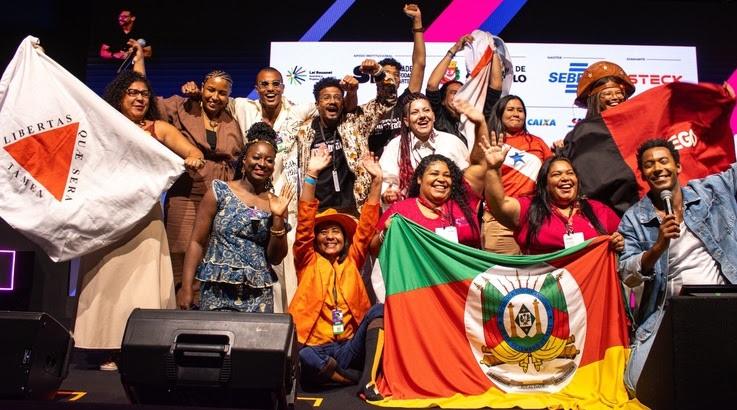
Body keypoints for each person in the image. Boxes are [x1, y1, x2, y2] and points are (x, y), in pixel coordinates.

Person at [74, 70, 204, 371]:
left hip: (145, 217)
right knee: (107, 279)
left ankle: (136, 346)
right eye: (132, 92)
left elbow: (192, 151)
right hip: (107, 216)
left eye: (144, 94)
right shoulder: (104, 125)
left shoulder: (158, 128)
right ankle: (106, 346)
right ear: (120, 95)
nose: (139, 98)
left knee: (140, 282)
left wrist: (193, 158)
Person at [618, 138, 737, 392]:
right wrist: (658, 247)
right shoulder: (634, 219)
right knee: (637, 383)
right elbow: (628, 274)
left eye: (663, 161)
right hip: (670, 310)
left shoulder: (711, 192)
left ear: (678, 166)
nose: (657, 168)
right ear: (643, 175)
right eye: (649, 165)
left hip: (724, 300)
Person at [290, 147, 384, 400]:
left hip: (348, 346)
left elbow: (366, 226)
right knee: (305, 356)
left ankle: (359, 378)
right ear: (316, 239)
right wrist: (312, 174)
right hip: (316, 347)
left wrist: (377, 181)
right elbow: (304, 225)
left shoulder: (353, 260)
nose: (330, 237)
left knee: (380, 310)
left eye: (336, 232)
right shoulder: (307, 260)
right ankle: (352, 379)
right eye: (324, 232)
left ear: (344, 239)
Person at [177, 124, 293, 312]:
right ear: (244, 160)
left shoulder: (276, 203)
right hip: (217, 289)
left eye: (269, 160)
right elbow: (197, 242)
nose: (262, 164)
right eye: (256, 157)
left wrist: (278, 218)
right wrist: (186, 287)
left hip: (257, 293)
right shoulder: (219, 191)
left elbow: (276, 258)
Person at [156, 70, 244, 297]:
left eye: (222, 93)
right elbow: (148, 104)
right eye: (211, 90)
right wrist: (139, 60)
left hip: (220, 195)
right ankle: (178, 303)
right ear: (202, 87)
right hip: (187, 191)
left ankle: (204, 304)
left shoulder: (232, 119)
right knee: (180, 250)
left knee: (210, 252)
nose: (215, 97)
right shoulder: (183, 107)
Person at [372, 100, 491, 251]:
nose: (441, 179)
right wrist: (386, 228)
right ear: (419, 179)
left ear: (434, 116)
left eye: (447, 174)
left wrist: (480, 123)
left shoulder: (464, 200)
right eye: (415, 112)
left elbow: (479, 164)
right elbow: (374, 248)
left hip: (464, 263)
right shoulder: (402, 211)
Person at [483, 131, 622, 254]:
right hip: (544, 276)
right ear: (545, 184)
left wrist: (620, 242)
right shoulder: (530, 208)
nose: (565, 178)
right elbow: (499, 205)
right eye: (557, 174)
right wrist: (493, 169)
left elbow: (625, 239)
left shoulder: (598, 210)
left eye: (570, 173)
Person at [296, 77, 389, 216]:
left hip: (355, 208)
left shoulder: (355, 123)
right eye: (326, 97)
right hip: (318, 211)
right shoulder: (304, 132)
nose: (332, 101)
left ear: (343, 103)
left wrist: (378, 73)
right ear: (317, 104)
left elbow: (386, 101)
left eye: (337, 97)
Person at [557, 61, 639, 215]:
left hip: (640, 210)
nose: (614, 97)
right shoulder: (582, 132)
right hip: (601, 214)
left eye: (618, 92)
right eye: (607, 93)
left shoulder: (638, 124)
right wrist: (560, 153)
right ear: (595, 98)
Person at [482, 95, 552, 254]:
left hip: (535, 217)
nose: (516, 114)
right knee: (503, 269)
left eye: (520, 110)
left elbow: (551, 173)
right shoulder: (491, 144)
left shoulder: (538, 142)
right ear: (500, 114)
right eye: (510, 109)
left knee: (537, 269)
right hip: (500, 218)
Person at [379, 93, 470, 205]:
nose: (422, 115)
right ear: (406, 121)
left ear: (434, 116)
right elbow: (386, 182)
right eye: (415, 112)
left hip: (449, 209)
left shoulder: (452, 142)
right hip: (408, 210)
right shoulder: (395, 146)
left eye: (426, 110)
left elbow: (468, 178)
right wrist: (388, 194)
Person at [365, 3, 425, 158]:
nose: (391, 77)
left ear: (399, 81)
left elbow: (419, 63)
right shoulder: (367, 110)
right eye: (386, 73)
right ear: (376, 77)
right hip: (377, 169)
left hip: (404, 166)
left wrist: (417, 21)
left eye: (396, 75)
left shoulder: (405, 102)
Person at [425, 33, 503, 146]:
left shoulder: (478, 114)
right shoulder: (438, 117)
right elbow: (432, 85)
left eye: (462, 92)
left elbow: (496, 87)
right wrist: (455, 49)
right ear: (443, 101)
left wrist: (493, 51)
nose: (458, 95)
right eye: (453, 93)